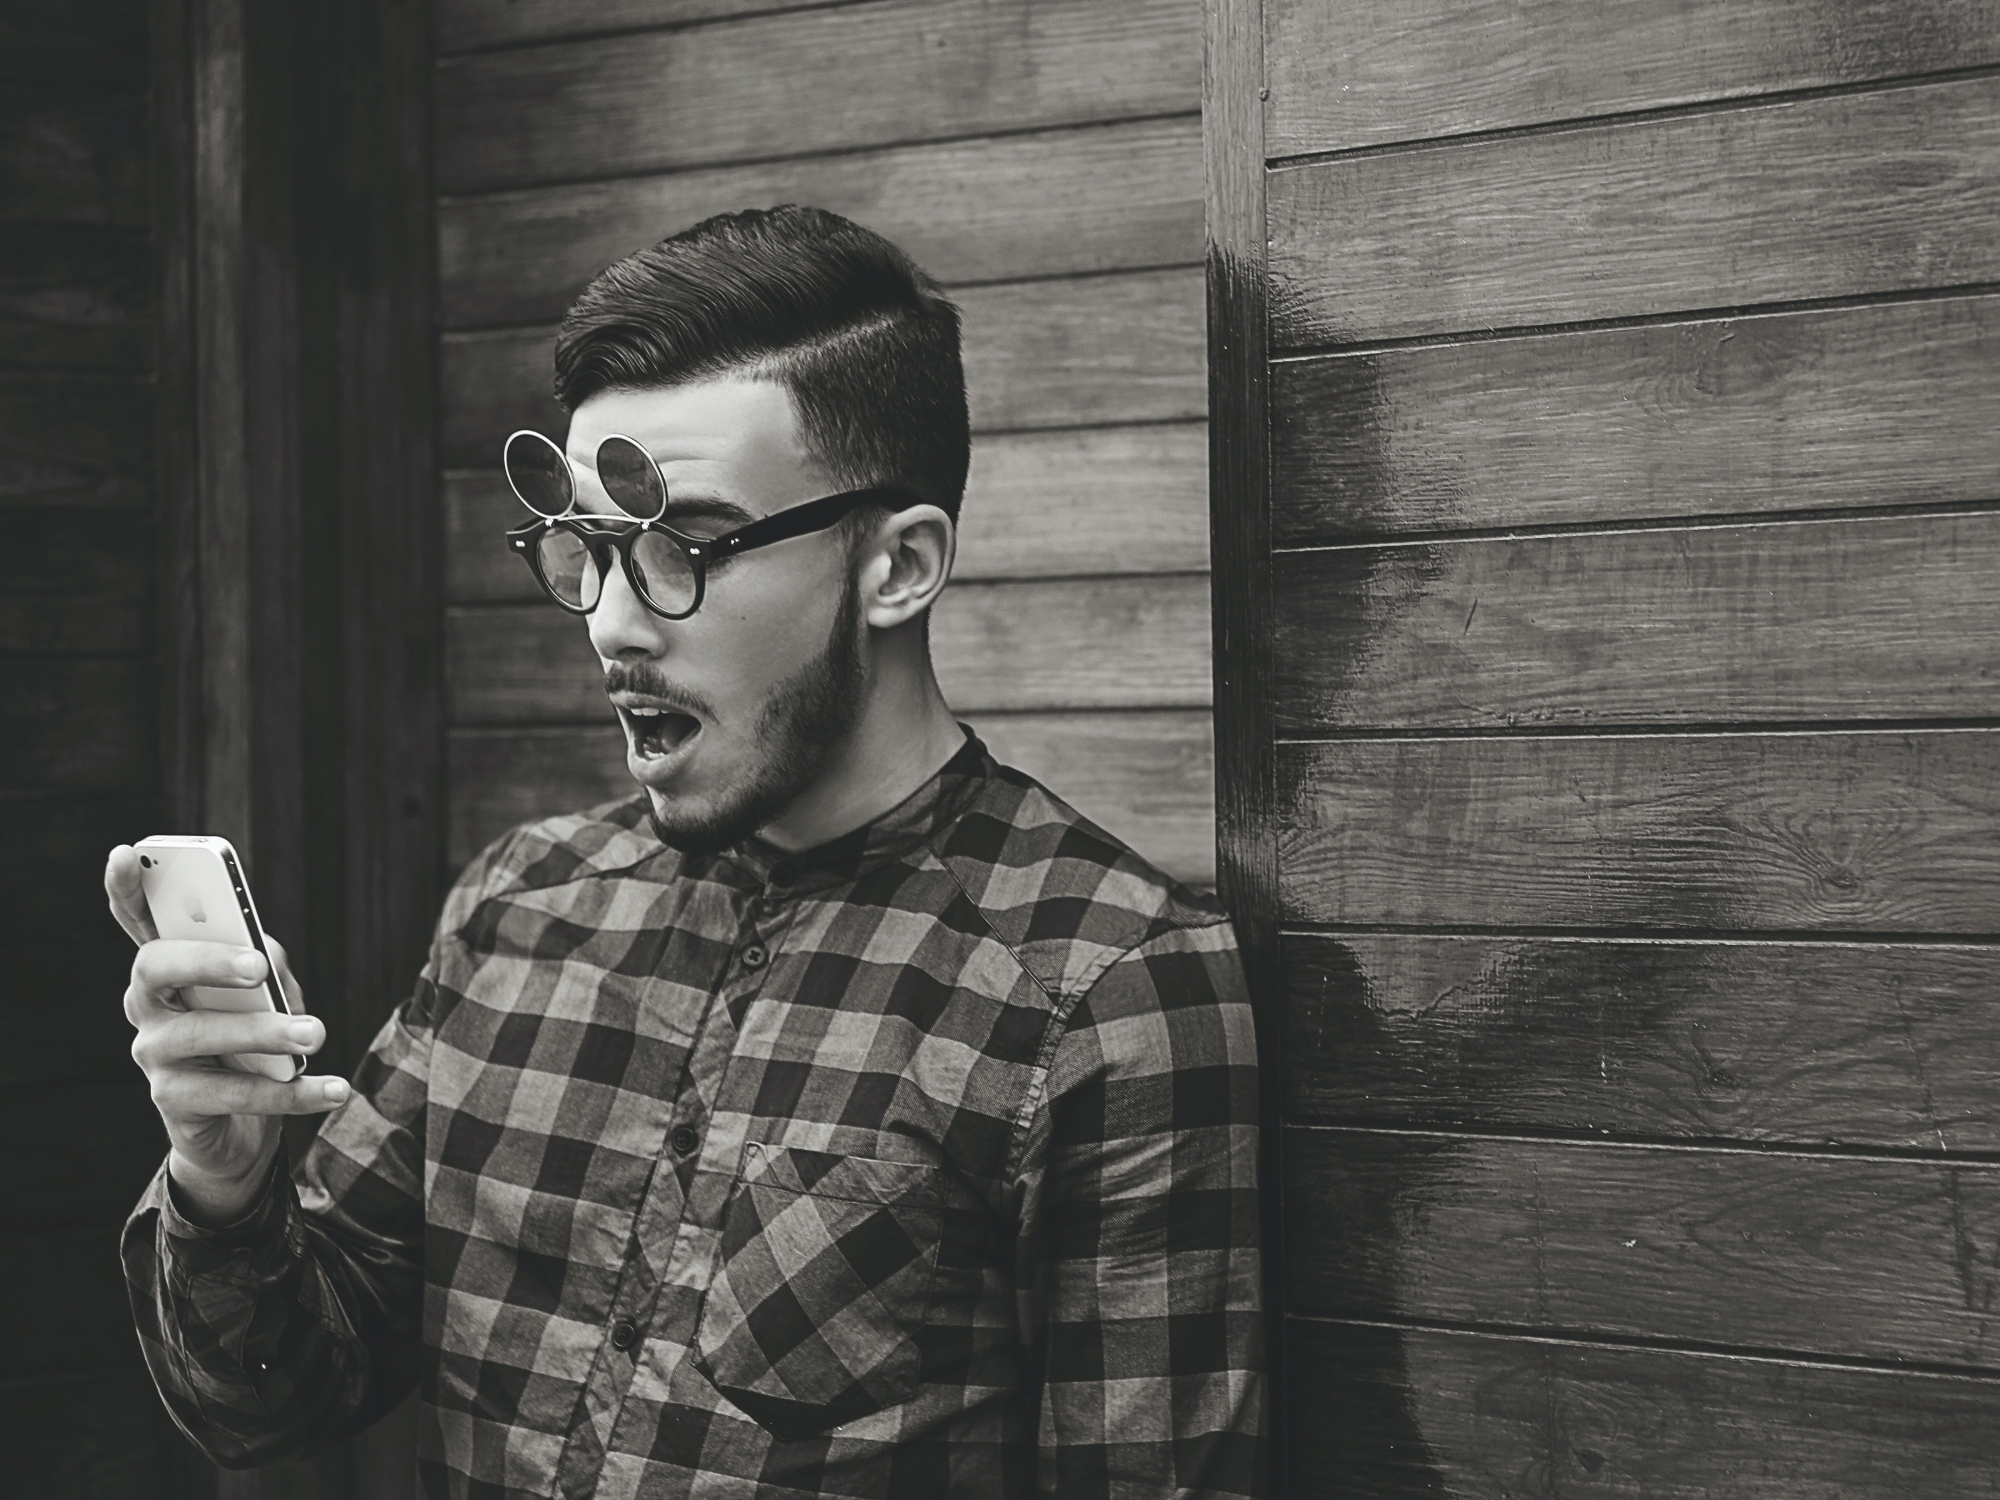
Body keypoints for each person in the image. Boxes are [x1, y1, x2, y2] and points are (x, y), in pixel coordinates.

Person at [111, 206, 1264, 1499]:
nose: (611, 624)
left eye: (686, 546)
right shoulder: (518, 911)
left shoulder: (1100, 987)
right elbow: (268, 1398)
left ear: (898, 567)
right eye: (591, 548)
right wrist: (223, 1177)